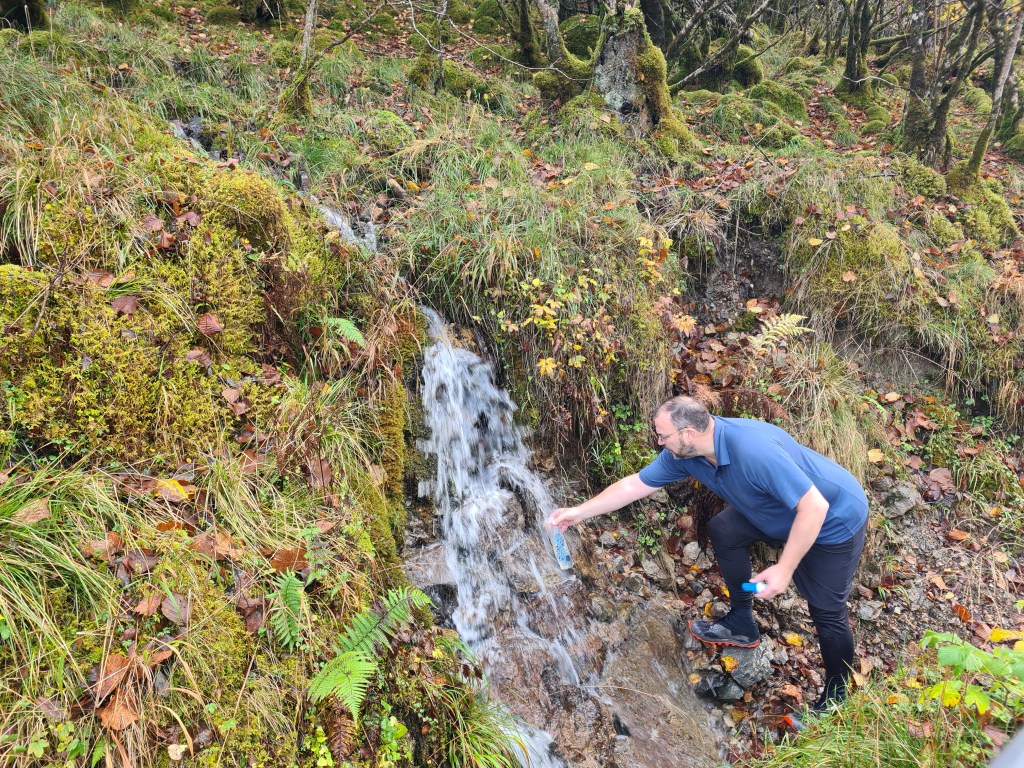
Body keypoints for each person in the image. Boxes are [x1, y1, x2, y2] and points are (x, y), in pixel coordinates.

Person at [549, 395, 869, 713]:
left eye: (663, 436)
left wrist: (785, 568)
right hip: (770, 512)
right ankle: (742, 622)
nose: (660, 442)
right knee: (724, 529)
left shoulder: (753, 450)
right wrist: (578, 513)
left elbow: (814, 507)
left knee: (827, 612)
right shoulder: (686, 455)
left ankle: (836, 697)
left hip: (832, 520)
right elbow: (636, 485)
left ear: (688, 434)